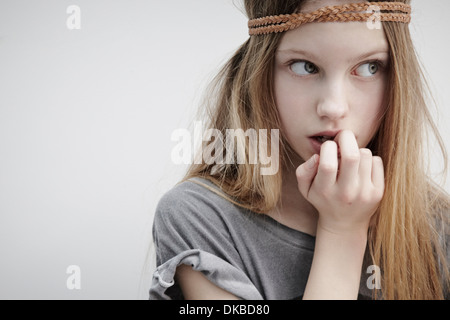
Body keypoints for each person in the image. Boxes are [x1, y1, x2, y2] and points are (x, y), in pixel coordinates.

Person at [150, 0, 450, 300]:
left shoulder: (438, 227)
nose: (334, 107)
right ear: (262, 72)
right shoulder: (200, 219)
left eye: (369, 67)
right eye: (304, 66)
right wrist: (342, 232)